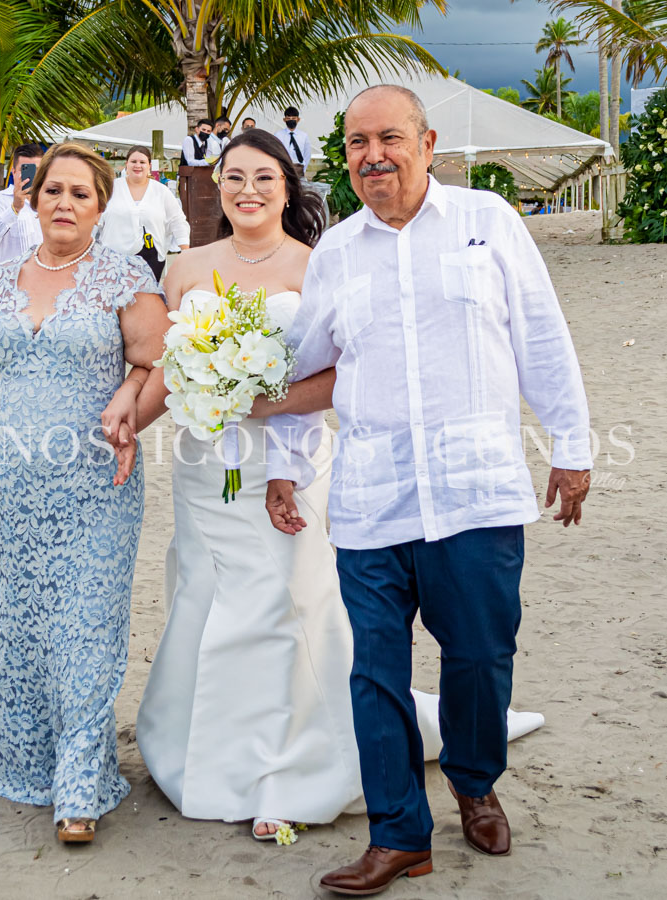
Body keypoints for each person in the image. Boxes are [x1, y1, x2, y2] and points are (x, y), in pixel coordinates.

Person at [130, 129, 542, 842]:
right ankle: (205, 756)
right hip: (204, 465)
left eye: (263, 177)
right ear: (213, 186)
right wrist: (130, 421)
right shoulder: (183, 267)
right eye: (232, 178)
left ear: (287, 188)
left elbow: (342, 368)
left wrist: (264, 396)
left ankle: (288, 769)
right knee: (204, 594)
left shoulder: (318, 262)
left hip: (289, 460)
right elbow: (166, 366)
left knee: (289, 602)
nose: (247, 190)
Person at [264, 85, 591, 895]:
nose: (371, 155)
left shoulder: (489, 222)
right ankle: (399, 835)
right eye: (354, 143)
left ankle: (474, 783)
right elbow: (306, 365)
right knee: (374, 670)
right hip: (372, 497)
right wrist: (284, 460)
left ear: (427, 142)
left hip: (475, 489)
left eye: (387, 138)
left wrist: (572, 446)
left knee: (480, 656)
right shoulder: (335, 251)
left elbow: (541, 337)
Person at [0, 142, 169, 845]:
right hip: (17, 481)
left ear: (101, 207)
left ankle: (78, 786)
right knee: (31, 620)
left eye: (80, 194)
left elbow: (157, 361)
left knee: (89, 623)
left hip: (98, 480)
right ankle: (31, 756)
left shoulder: (124, 279)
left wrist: (129, 396)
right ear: (33, 201)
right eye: (53, 192)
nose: (64, 203)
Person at [99, 145, 190, 281]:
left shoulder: (161, 191)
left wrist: (185, 251)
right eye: (133, 162)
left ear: (149, 166)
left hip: (151, 259)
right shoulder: (111, 189)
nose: (138, 166)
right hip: (113, 259)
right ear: (126, 164)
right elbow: (94, 219)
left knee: (147, 299)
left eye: (142, 162)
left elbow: (177, 221)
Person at [0, 142, 44, 264]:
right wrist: (14, 209)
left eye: (37, 170)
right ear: (13, 172)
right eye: (25, 169)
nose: (32, 176)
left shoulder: (52, 201)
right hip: (9, 280)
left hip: (45, 279)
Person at [275, 106, 311, 177]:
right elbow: (275, 153)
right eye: (288, 118)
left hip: (298, 169)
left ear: (298, 119)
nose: (291, 120)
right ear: (284, 119)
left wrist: (303, 170)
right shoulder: (278, 135)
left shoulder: (304, 136)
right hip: (283, 169)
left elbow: (307, 155)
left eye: (293, 118)